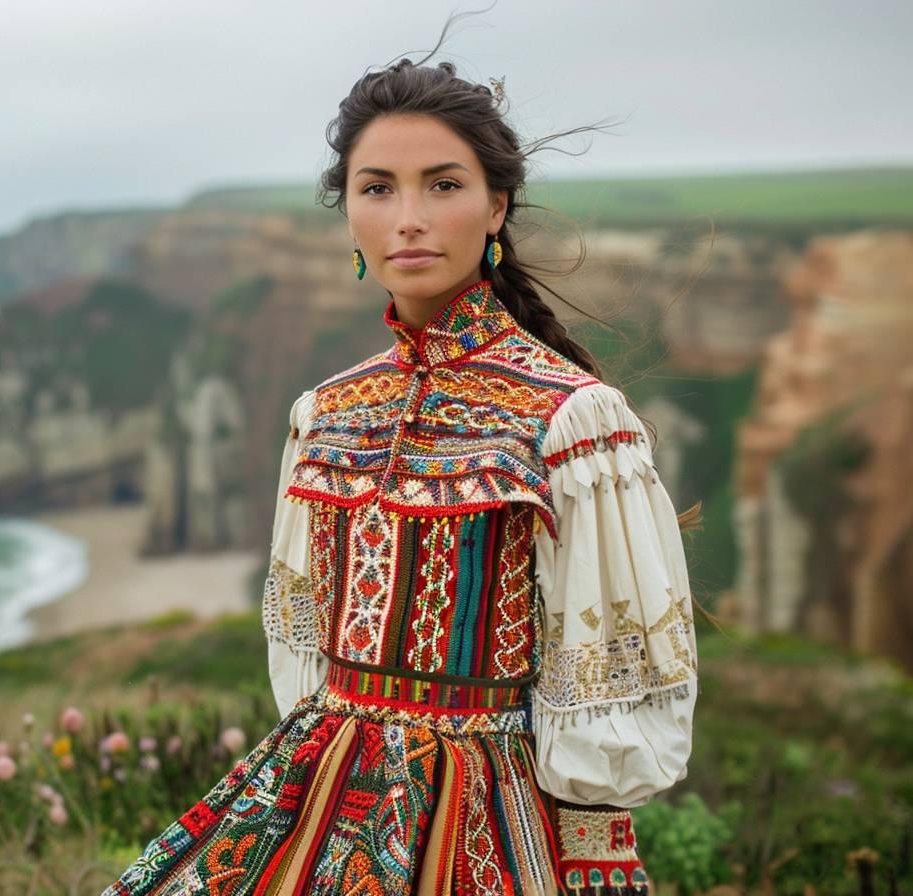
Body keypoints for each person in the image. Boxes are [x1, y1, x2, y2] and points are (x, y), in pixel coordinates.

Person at [102, 33, 699, 896]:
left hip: (490, 814)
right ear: (348, 211)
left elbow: (605, 693)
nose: (408, 218)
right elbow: (303, 654)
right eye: (376, 188)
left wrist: (592, 856)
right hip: (318, 788)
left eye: (443, 186)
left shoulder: (573, 421)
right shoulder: (326, 414)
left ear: (497, 207)